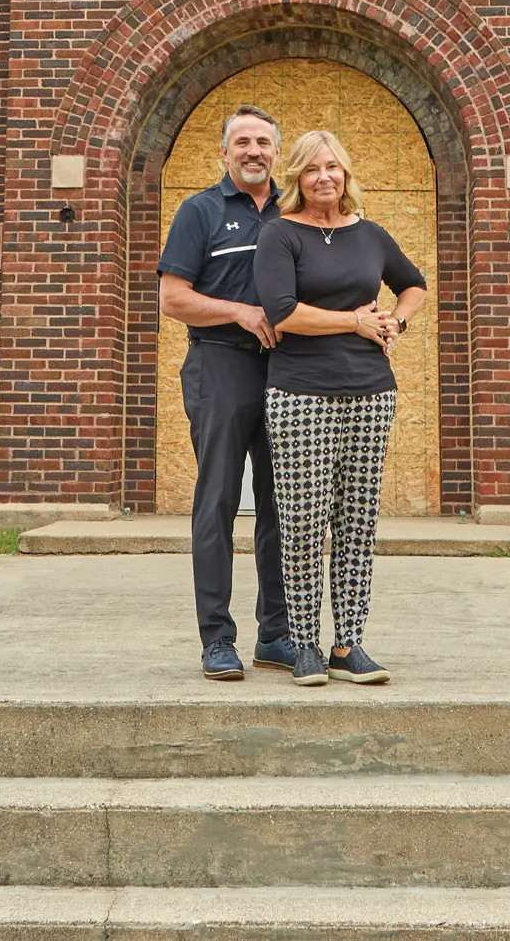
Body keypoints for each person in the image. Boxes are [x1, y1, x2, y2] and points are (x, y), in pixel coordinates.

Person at [252, 130, 427, 687]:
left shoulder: (371, 235)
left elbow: (414, 285)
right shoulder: (280, 235)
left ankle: (348, 644)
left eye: (333, 168)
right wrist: (355, 320)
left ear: (346, 175)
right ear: (297, 179)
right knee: (303, 520)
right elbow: (281, 312)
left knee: (357, 521)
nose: (324, 177)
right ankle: (303, 644)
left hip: (371, 391)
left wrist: (395, 323)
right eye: (312, 169)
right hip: (301, 392)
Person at [156, 104, 295, 681]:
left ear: (276, 151)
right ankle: (217, 637)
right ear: (225, 152)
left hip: (289, 371)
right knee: (216, 501)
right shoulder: (201, 211)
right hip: (220, 366)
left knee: (282, 505)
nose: (254, 150)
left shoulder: (295, 212)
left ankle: (277, 635)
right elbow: (173, 297)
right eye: (243, 142)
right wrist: (239, 311)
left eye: (264, 141)